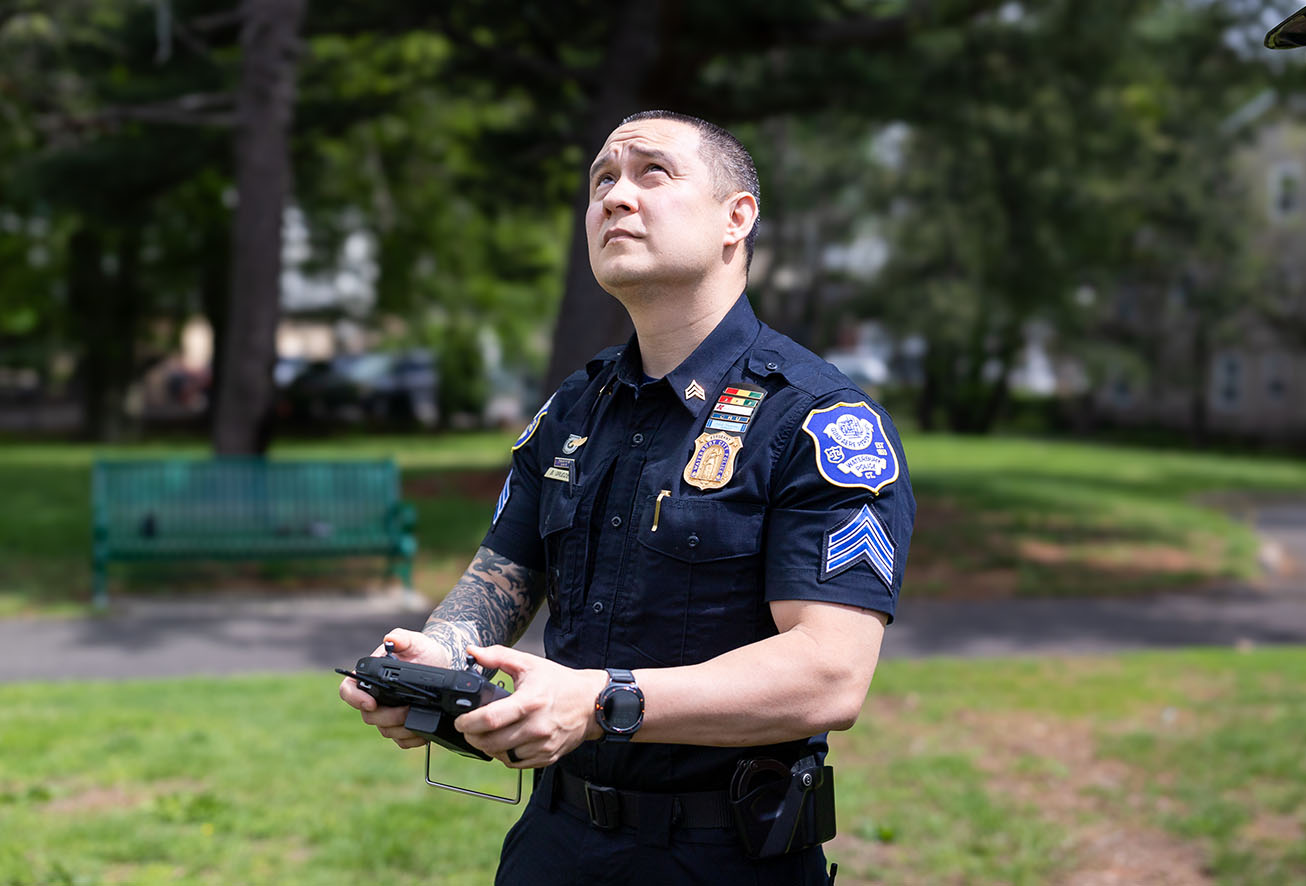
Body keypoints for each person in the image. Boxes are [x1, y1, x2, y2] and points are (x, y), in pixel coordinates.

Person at [339, 110, 915, 885]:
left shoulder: (814, 418)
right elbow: (499, 577)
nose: (616, 196)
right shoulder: (575, 408)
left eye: (653, 172)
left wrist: (602, 702)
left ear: (735, 218)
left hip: (724, 856)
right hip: (554, 842)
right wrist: (433, 664)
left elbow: (829, 676)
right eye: (602, 179)